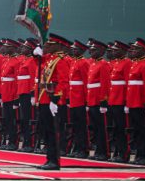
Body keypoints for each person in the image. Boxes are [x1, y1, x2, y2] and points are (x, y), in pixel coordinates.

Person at [36, 33, 70, 170]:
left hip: (52, 100)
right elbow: (40, 65)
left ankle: (54, 161)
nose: (47, 46)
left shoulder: (60, 60)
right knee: (46, 131)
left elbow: (63, 82)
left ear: (58, 46)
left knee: (53, 132)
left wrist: (55, 99)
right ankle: (49, 159)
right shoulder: (51, 59)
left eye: (50, 44)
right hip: (44, 98)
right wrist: (36, 55)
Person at [107, 41, 132, 162]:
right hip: (113, 99)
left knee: (122, 128)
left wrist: (127, 101)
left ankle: (124, 154)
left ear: (123, 50)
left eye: (117, 50)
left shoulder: (127, 63)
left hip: (121, 100)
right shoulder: (117, 63)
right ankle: (118, 152)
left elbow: (128, 83)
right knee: (116, 128)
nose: (114, 51)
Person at [86, 39, 111, 161]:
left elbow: (105, 84)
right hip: (92, 98)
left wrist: (103, 101)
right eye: (91, 49)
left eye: (94, 49)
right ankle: (98, 151)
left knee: (102, 127)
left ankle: (104, 152)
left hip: (98, 99)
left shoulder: (103, 64)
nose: (91, 51)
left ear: (101, 51)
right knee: (95, 127)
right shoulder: (93, 63)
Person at [126, 38, 145, 165]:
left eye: (136, 49)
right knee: (136, 129)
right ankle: (140, 155)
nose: (133, 51)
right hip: (133, 102)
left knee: (142, 130)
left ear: (143, 50)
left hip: (141, 102)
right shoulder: (135, 63)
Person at [67, 40, 90, 158]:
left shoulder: (83, 63)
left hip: (80, 99)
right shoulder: (74, 62)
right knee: (76, 125)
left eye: (76, 49)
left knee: (81, 126)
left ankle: (83, 149)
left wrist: (86, 100)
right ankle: (77, 148)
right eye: (73, 49)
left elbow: (86, 82)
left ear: (81, 50)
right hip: (73, 98)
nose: (73, 50)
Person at [0, 39, 22, 150]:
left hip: (12, 94)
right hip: (5, 94)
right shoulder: (6, 60)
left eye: (8, 47)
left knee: (12, 119)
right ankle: (6, 140)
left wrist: (16, 98)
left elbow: (18, 81)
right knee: (6, 119)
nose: (5, 48)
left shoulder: (16, 62)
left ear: (13, 48)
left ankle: (13, 142)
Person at [16, 38, 39, 152]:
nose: (22, 48)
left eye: (25, 47)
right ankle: (26, 142)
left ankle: (31, 143)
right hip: (22, 92)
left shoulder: (31, 61)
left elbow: (33, 79)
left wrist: (33, 95)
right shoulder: (25, 60)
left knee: (30, 119)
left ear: (30, 49)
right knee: (24, 119)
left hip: (28, 94)